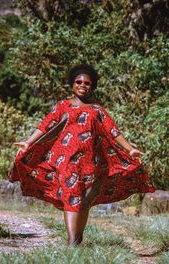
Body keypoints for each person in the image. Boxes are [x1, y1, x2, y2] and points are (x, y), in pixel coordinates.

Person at [9, 64, 155, 246]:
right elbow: (45, 125)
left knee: (85, 201)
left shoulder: (97, 109)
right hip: (66, 160)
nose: (82, 85)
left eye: (87, 83)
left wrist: (129, 149)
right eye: (79, 82)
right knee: (71, 196)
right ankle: (71, 243)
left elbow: (113, 131)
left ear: (92, 86)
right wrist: (28, 142)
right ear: (72, 84)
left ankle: (78, 239)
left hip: (90, 162)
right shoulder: (63, 105)